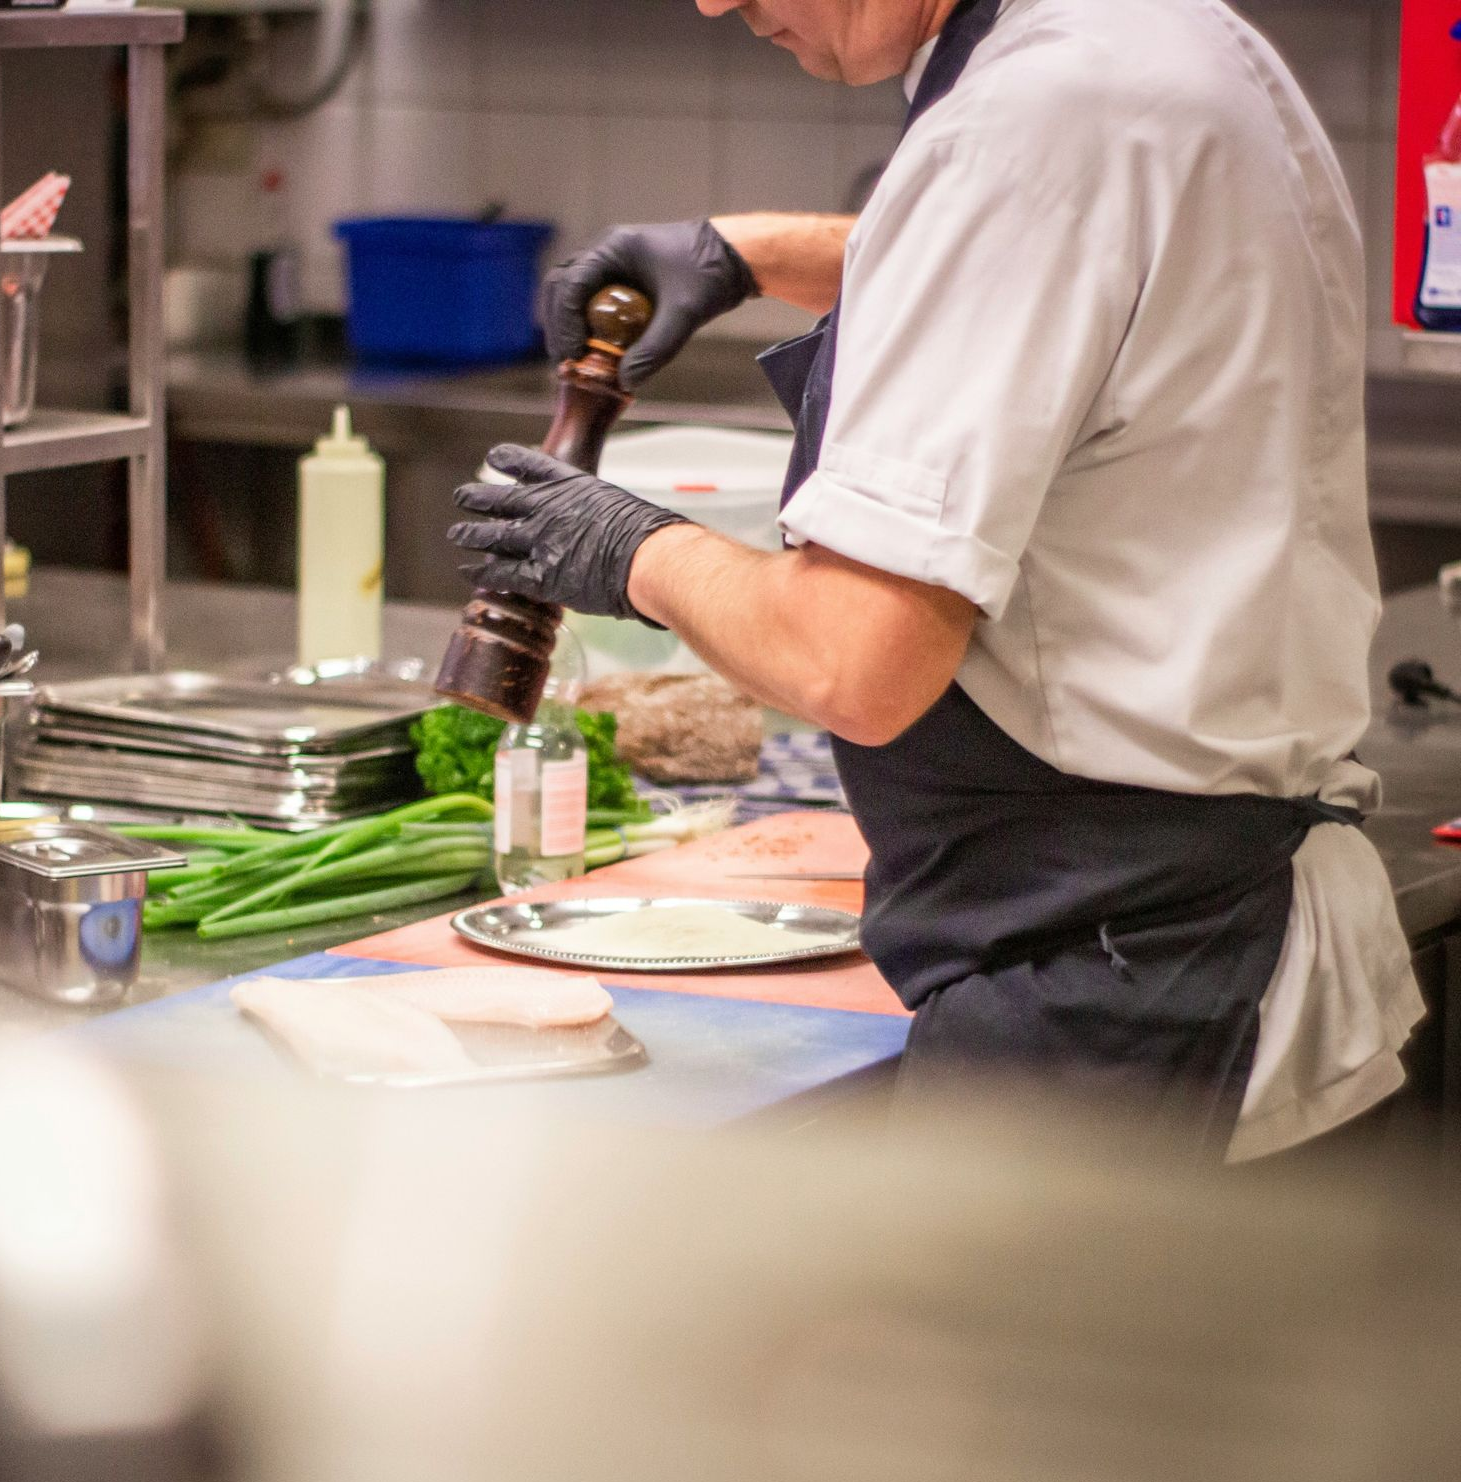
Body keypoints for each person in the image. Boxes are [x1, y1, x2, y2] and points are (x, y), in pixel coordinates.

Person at [446, 0, 1425, 1160]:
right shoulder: (1154, 36)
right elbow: (1043, 262)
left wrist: (628, 549)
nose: (712, 0)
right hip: (1196, 934)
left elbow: (853, 662)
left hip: (1105, 991)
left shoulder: (1027, 123)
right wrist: (748, 256)